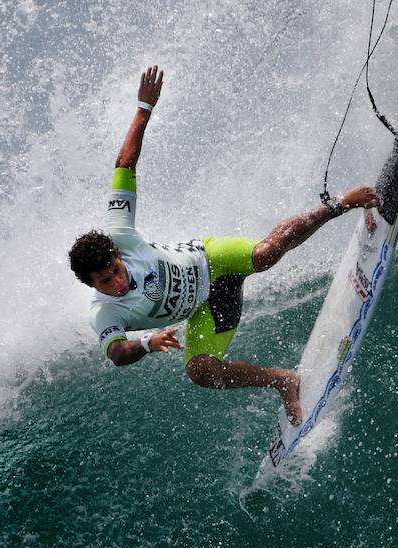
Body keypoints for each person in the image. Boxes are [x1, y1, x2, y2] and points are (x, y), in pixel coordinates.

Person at [69, 66, 380, 426]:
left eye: (116, 270)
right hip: (207, 307)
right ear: (91, 285)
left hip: (211, 260)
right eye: (106, 281)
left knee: (264, 255)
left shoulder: (118, 235)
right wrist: (146, 344)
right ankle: (283, 381)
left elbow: (125, 164)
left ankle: (340, 203)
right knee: (201, 372)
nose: (117, 282)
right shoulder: (105, 313)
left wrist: (144, 108)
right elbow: (118, 353)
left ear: (117, 255)